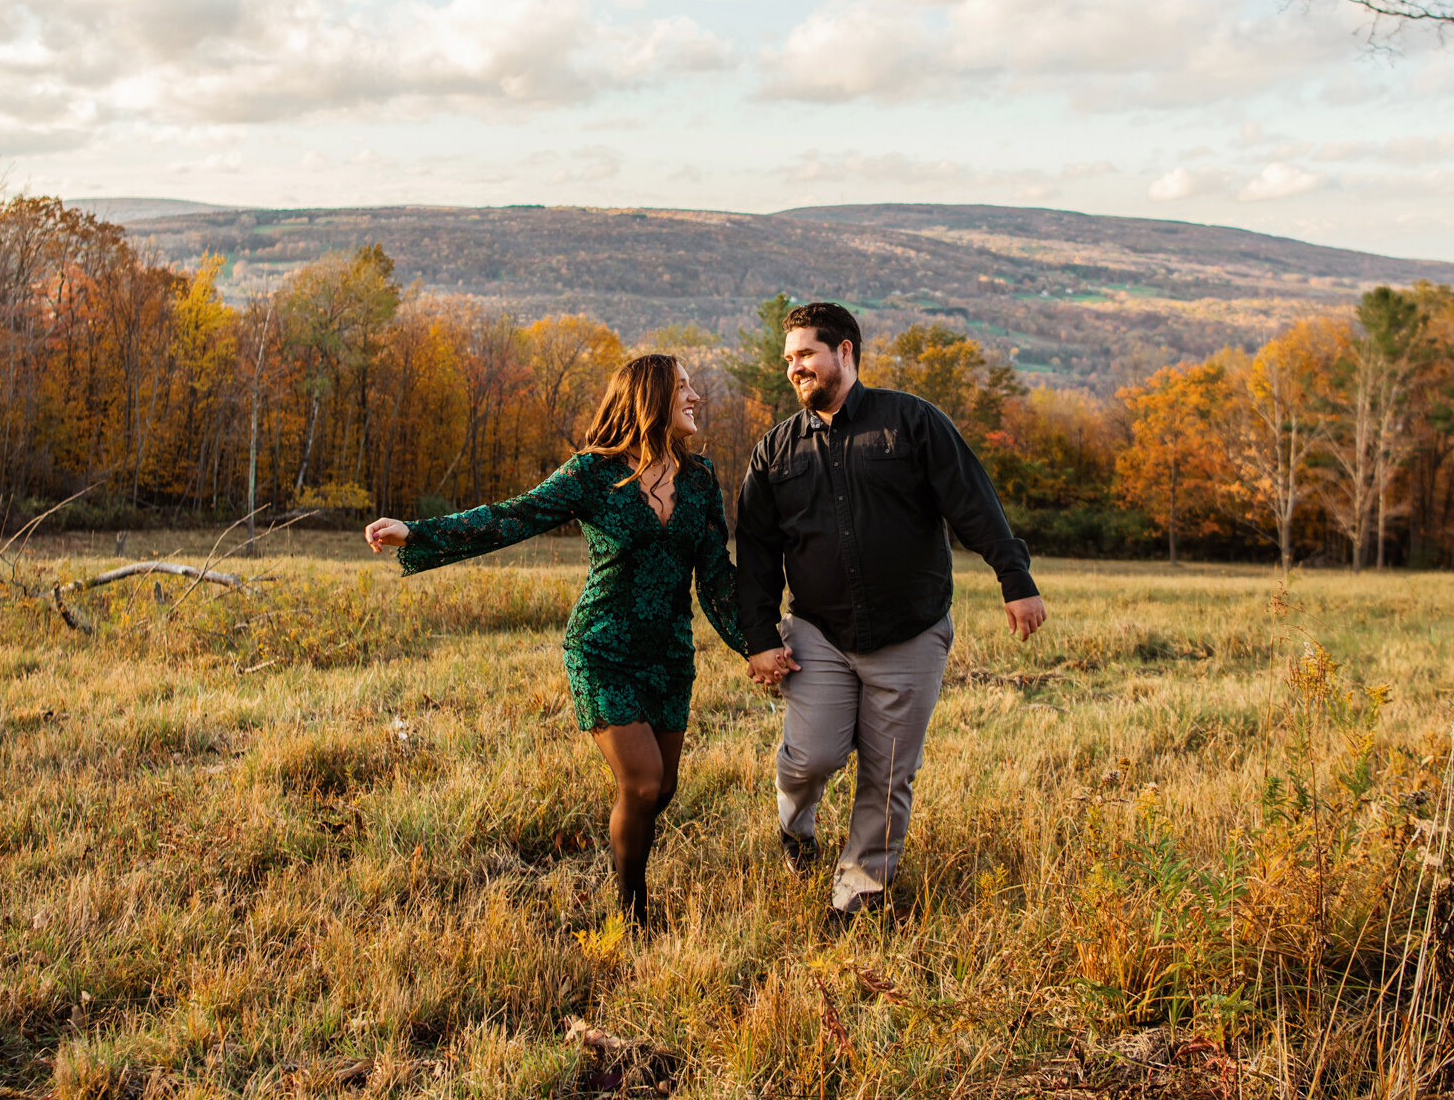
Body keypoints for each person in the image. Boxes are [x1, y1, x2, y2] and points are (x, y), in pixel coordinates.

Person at [362, 353, 746, 927]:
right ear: (651, 398)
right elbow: (513, 516)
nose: (696, 398)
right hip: (602, 649)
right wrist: (418, 532)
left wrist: (757, 643)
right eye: (684, 388)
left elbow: (716, 575)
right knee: (642, 784)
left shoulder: (700, 479)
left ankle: (627, 870)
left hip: (669, 654)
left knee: (661, 791)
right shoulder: (593, 472)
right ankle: (631, 912)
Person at [735, 301, 1047, 926]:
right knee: (810, 758)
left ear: (844, 352)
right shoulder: (774, 451)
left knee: (887, 771)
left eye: (806, 355)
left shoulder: (911, 422)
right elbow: (758, 552)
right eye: (788, 360)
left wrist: (1015, 577)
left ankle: (857, 893)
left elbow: (972, 502)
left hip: (910, 630)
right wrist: (758, 637)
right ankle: (796, 829)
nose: (795, 369)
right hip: (819, 631)